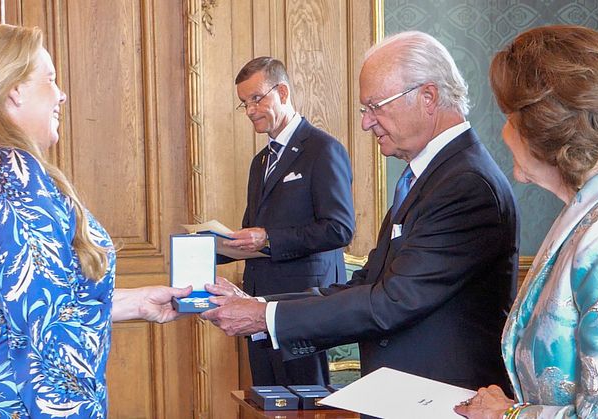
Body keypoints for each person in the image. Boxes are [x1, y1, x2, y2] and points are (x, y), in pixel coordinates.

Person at [0, 24, 191, 418]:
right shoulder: (9, 169)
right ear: (14, 90)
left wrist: (135, 303)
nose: (61, 93)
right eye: (49, 79)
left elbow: (3, 299)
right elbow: (46, 329)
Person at [203, 31, 519, 401]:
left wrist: (266, 316)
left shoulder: (465, 183)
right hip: (405, 395)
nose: (367, 123)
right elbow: (367, 282)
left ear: (428, 97)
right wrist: (263, 307)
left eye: (375, 106)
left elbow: (392, 300)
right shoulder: (431, 176)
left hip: (442, 400)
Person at [454, 25, 598, 419]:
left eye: (507, 116)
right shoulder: (583, 216)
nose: (503, 133)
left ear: (542, 126)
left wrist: (508, 415)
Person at [222, 56, 355, 386]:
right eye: (244, 104)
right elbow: (252, 234)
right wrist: (208, 247)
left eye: (256, 99)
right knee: (268, 401)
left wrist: (268, 239)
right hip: (257, 305)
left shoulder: (323, 149)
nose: (251, 111)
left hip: (304, 304)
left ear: (282, 91)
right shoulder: (260, 162)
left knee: (304, 404)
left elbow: (340, 228)